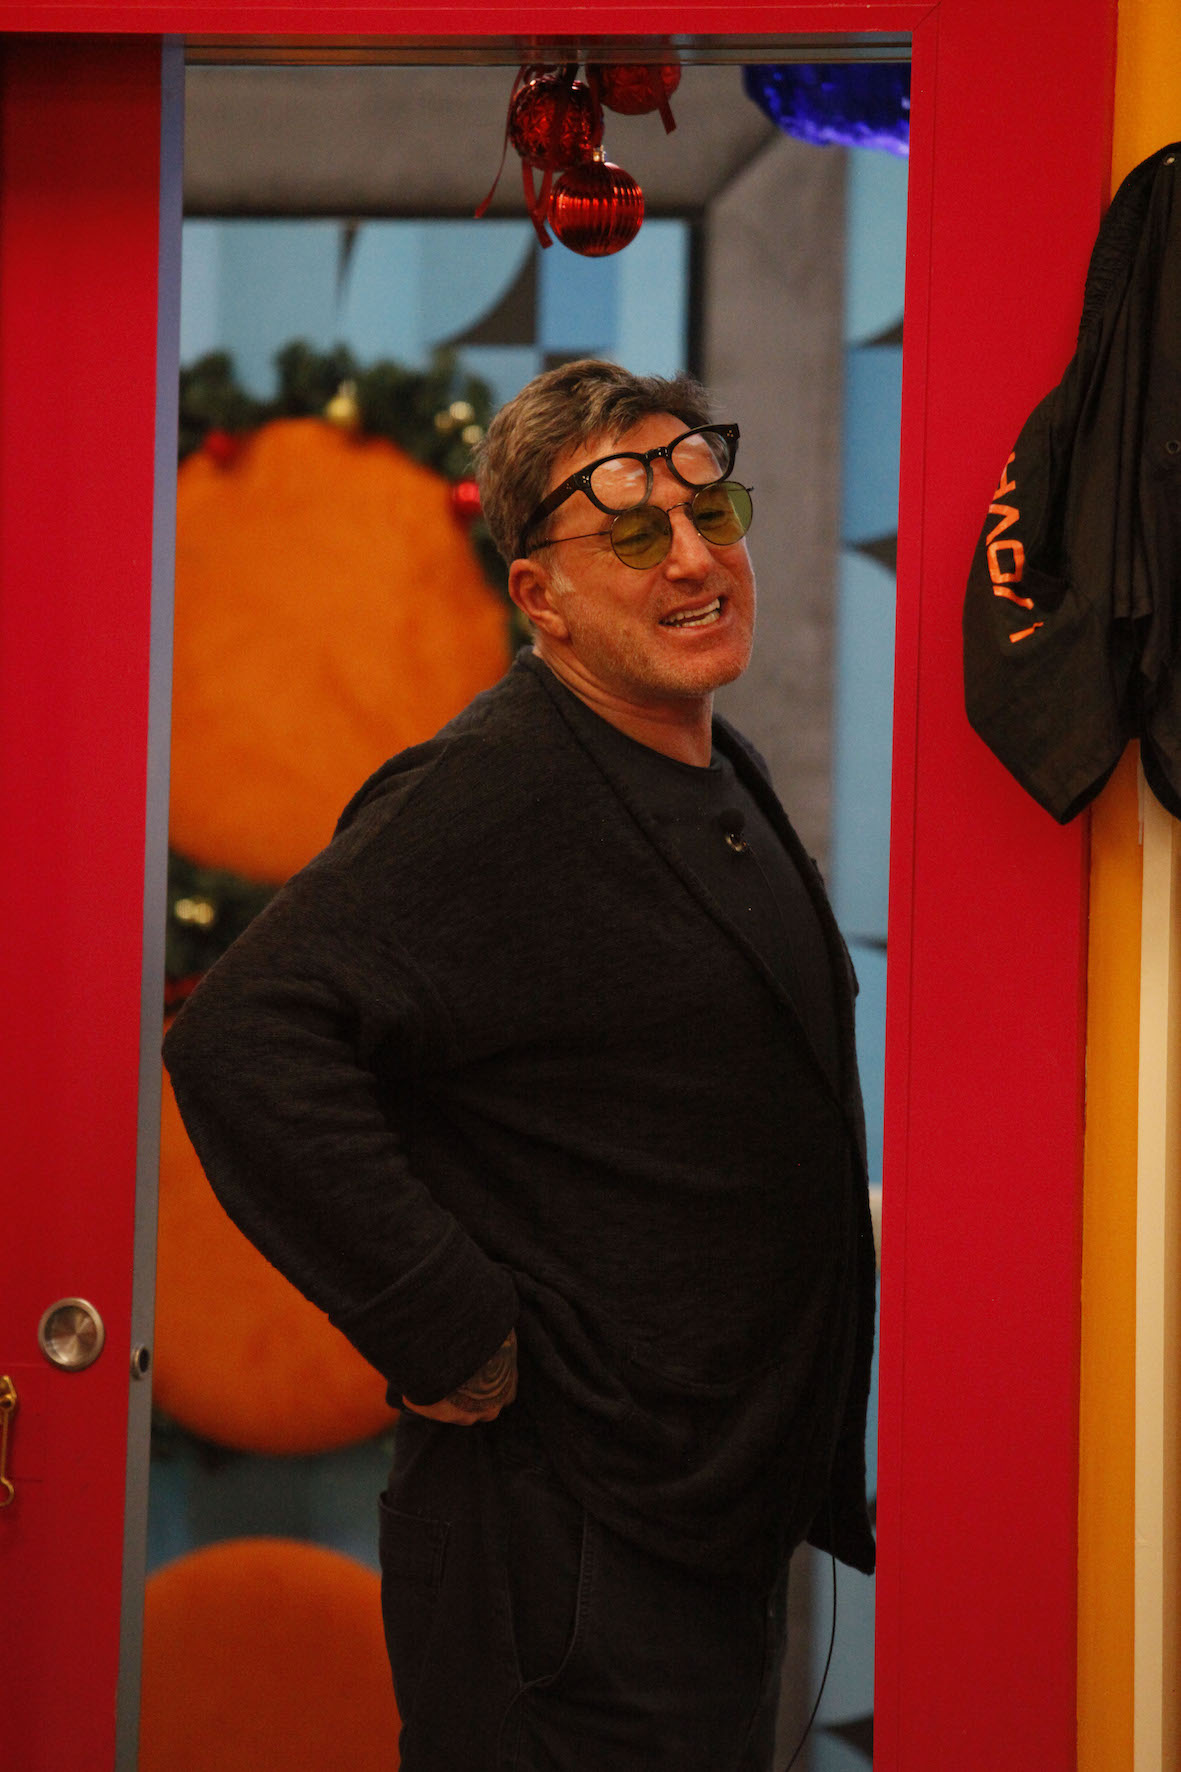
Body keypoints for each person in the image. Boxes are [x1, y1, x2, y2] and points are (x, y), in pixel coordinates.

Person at [163, 358, 876, 1772]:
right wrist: (445, 1326)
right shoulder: (494, 788)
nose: (693, 558)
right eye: (633, 532)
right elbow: (245, 1036)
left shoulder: (710, 763)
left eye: (709, 510)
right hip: (561, 1558)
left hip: (701, 1526)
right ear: (540, 597)